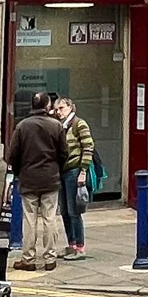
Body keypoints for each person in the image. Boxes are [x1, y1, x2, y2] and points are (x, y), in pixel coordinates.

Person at [6, 91, 67, 271]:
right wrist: (57, 170)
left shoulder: (22, 127)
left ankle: (29, 258)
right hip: (50, 178)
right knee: (49, 218)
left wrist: (19, 172)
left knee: (29, 220)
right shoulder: (56, 126)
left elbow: (12, 156)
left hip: (28, 178)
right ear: (47, 106)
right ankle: (50, 258)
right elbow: (64, 153)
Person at [54, 97, 96, 260]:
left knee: (74, 211)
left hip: (74, 171)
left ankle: (80, 247)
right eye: (57, 109)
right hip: (63, 172)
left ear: (71, 108)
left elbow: (88, 146)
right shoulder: (60, 126)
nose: (59, 112)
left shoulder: (79, 124)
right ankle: (71, 245)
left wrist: (83, 171)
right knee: (64, 211)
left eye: (62, 108)